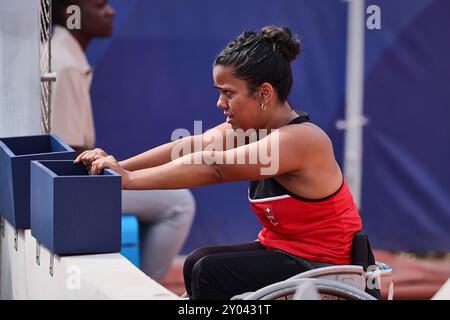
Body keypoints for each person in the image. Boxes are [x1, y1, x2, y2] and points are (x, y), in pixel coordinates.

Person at [77, 25, 363, 300]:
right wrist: (118, 166)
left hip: (323, 265)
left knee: (209, 272)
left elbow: (213, 168)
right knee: (196, 262)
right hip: (284, 250)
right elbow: (188, 146)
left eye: (228, 93)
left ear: (264, 93)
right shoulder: (253, 130)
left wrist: (128, 180)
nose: (219, 103)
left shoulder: (300, 140)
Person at [50, 0, 195, 282]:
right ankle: (144, 287)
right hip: (70, 189)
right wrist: (117, 172)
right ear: (72, 14)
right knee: (180, 203)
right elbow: (65, 152)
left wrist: (124, 170)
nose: (110, 11)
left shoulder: (66, 56)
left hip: (70, 183)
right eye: (99, 5)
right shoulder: (65, 64)